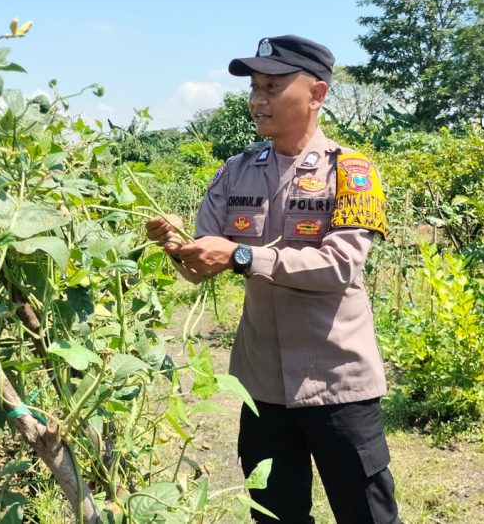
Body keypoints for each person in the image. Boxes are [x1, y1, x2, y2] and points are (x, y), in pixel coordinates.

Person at [145, 35, 400, 523]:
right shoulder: (236, 172)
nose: (257, 99)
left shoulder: (351, 172)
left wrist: (241, 255)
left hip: (337, 383)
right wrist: (176, 246)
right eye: (255, 87)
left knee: (366, 514)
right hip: (262, 386)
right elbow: (201, 267)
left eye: (273, 87)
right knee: (274, 514)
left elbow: (340, 266)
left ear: (317, 94)